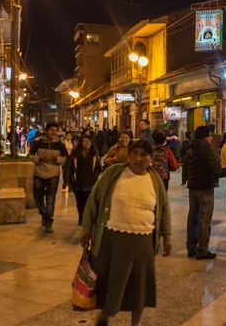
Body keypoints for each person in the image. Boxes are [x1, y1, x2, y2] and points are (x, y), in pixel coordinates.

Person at [81, 139, 172, 326]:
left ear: (151, 159)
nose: (138, 158)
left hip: (143, 242)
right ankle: (105, 315)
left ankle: (135, 323)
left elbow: (164, 208)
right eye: (134, 153)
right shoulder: (113, 174)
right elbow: (94, 201)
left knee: (139, 288)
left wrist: (167, 236)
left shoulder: (155, 180)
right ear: (129, 154)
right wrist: (87, 229)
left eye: (144, 155)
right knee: (110, 282)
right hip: (112, 241)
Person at [184, 126, 226, 260]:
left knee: (192, 218)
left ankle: (191, 248)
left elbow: (186, 170)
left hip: (193, 188)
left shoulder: (190, 150)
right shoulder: (207, 152)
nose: (211, 138)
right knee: (204, 220)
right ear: (205, 137)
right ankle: (202, 250)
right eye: (210, 135)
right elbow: (218, 172)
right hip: (205, 189)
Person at [29, 122, 68, 233]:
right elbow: (29, 155)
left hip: (53, 174)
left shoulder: (60, 144)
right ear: (46, 131)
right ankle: (45, 215)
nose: (54, 133)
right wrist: (39, 158)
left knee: (51, 200)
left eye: (56, 131)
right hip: (39, 173)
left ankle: (49, 222)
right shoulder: (38, 142)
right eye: (51, 130)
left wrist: (57, 159)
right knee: (38, 198)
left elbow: (65, 158)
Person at [64, 135, 101, 225]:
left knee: (88, 202)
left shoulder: (94, 154)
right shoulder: (75, 154)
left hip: (90, 182)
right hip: (77, 182)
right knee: (80, 202)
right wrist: (67, 181)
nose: (87, 143)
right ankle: (81, 216)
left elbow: (98, 168)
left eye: (88, 142)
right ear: (81, 143)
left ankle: (85, 217)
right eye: (85, 141)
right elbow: (68, 167)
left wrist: (95, 177)